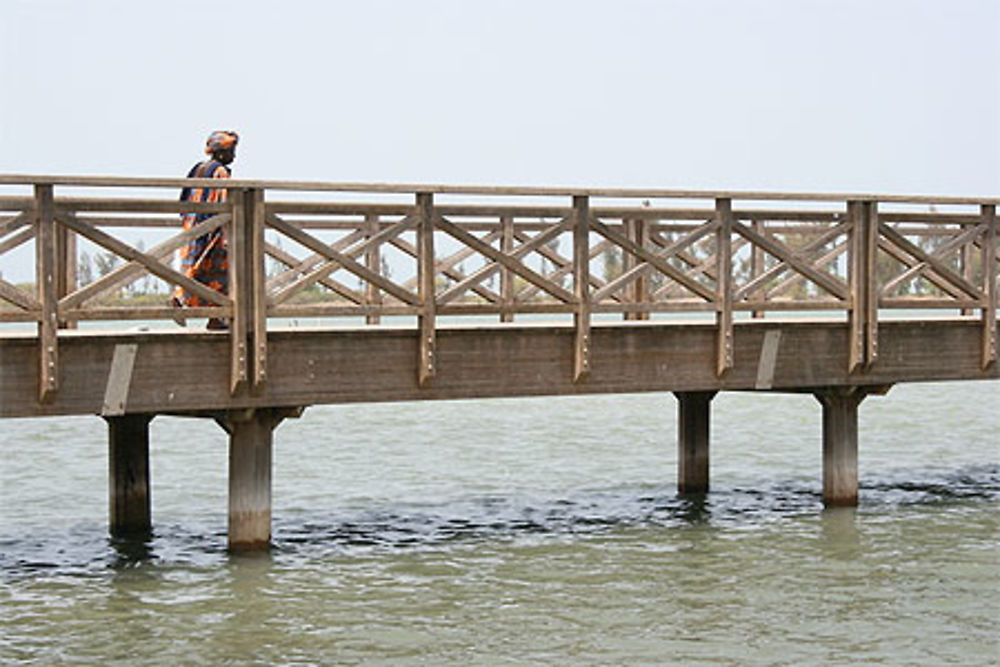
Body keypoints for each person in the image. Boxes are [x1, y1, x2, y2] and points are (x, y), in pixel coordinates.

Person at [171, 130, 239, 330]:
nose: (233, 156)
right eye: (231, 151)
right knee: (217, 273)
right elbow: (224, 201)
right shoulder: (220, 171)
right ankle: (211, 315)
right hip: (211, 229)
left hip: (192, 227)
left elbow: (184, 198)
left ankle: (212, 315)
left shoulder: (197, 168)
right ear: (220, 152)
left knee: (194, 268)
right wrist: (225, 231)